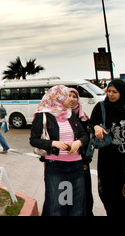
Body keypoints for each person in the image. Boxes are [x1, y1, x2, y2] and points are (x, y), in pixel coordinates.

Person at [30, 85, 88, 216]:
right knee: (56, 204)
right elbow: (33, 140)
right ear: (58, 97)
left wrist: (78, 143)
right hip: (55, 166)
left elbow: (84, 135)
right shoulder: (43, 114)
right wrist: (53, 143)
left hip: (76, 164)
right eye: (67, 96)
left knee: (76, 204)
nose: (70, 99)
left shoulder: (70, 113)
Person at [87, 79, 125, 216]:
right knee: (109, 191)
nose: (111, 95)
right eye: (109, 91)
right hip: (108, 158)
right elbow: (90, 124)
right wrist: (96, 127)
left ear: (122, 92)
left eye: (115, 92)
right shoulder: (101, 107)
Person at [68, 88, 94, 216]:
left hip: (81, 160)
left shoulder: (83, 118)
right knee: (67, 190)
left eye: (75, 96)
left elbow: (87, 139)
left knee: (84, 190)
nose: (72, 99)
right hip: (65, 161)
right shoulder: (60, 117)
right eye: (69, 96)